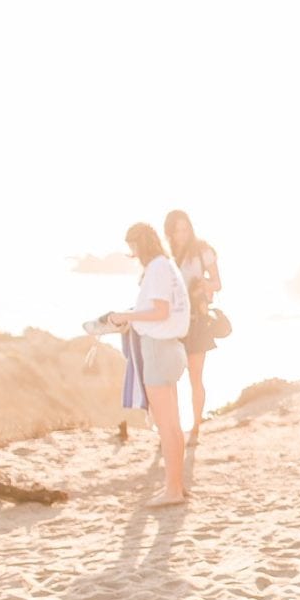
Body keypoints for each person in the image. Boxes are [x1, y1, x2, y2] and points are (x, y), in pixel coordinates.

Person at [107, 222, 190, 507]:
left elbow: (159, 311)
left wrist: (124, 317)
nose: (132, 254)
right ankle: (177, 486)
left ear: (139, 244)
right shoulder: (167, 265)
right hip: (172, 348)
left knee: (165, 426)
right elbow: (163, 310)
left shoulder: (156, 268)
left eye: (132, 247)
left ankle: (173, 490)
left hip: (157, 349)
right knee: (174, 425)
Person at [164, 209, 221, 441]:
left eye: (185, 229)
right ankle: (174, 429)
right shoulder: (166, 255)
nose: (182, 234)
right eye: (177, 230)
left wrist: (202, 286)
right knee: (171, 379)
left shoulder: (202, 251)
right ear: (170, 232)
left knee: (195, 377)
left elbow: (218, 283)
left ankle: (196, 428)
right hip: (173, 323)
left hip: (197, 322)